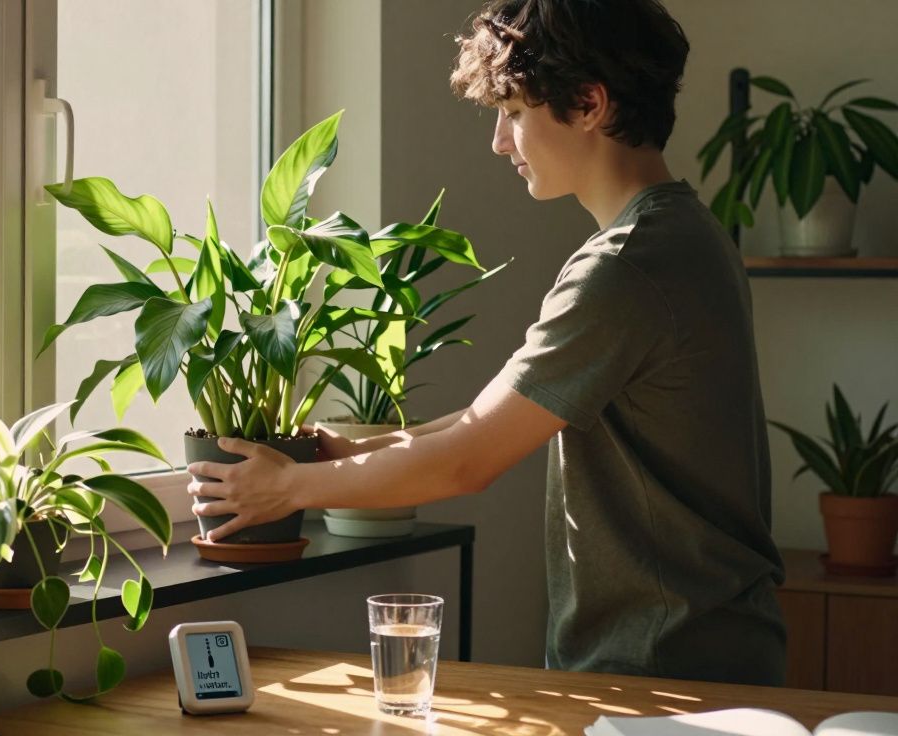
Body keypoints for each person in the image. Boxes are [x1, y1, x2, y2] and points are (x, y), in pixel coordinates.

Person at [188, 0, 787, 686]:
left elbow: (466, 461)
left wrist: (289, 487)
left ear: (589, 103)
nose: (500, 141)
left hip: (661, 668)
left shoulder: (624, 267)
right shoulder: (687, 235)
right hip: (712, 648)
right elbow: (485, 419)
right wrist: (361, 452)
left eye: (515, 113)